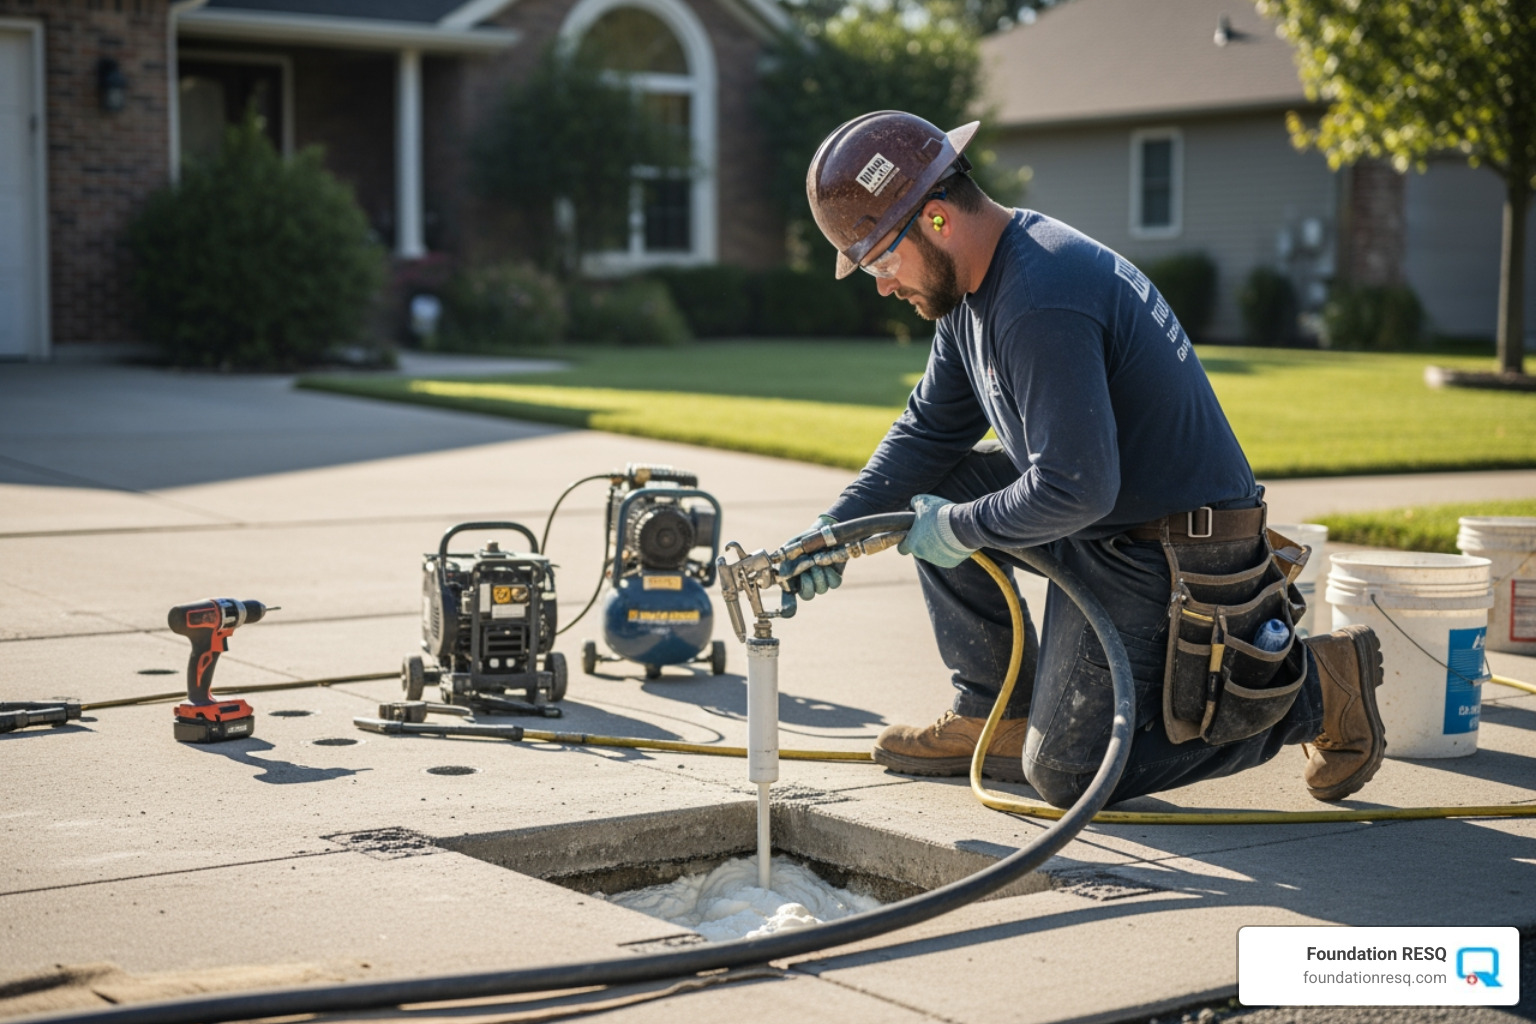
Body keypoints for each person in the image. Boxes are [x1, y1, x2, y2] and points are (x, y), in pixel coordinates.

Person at [788, 110, 1386, 807]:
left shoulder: (1042, 296)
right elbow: (929, 432)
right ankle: (996, 712)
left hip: (1175, 552)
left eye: (882, 260)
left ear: (938, 219)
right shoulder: (972, 292)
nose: (883, 285)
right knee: (925, 486)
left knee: (1071, 774)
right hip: (1104, 522)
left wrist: (957, 529)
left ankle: (1321, 689)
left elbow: (1075, 485)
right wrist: (837, 530)